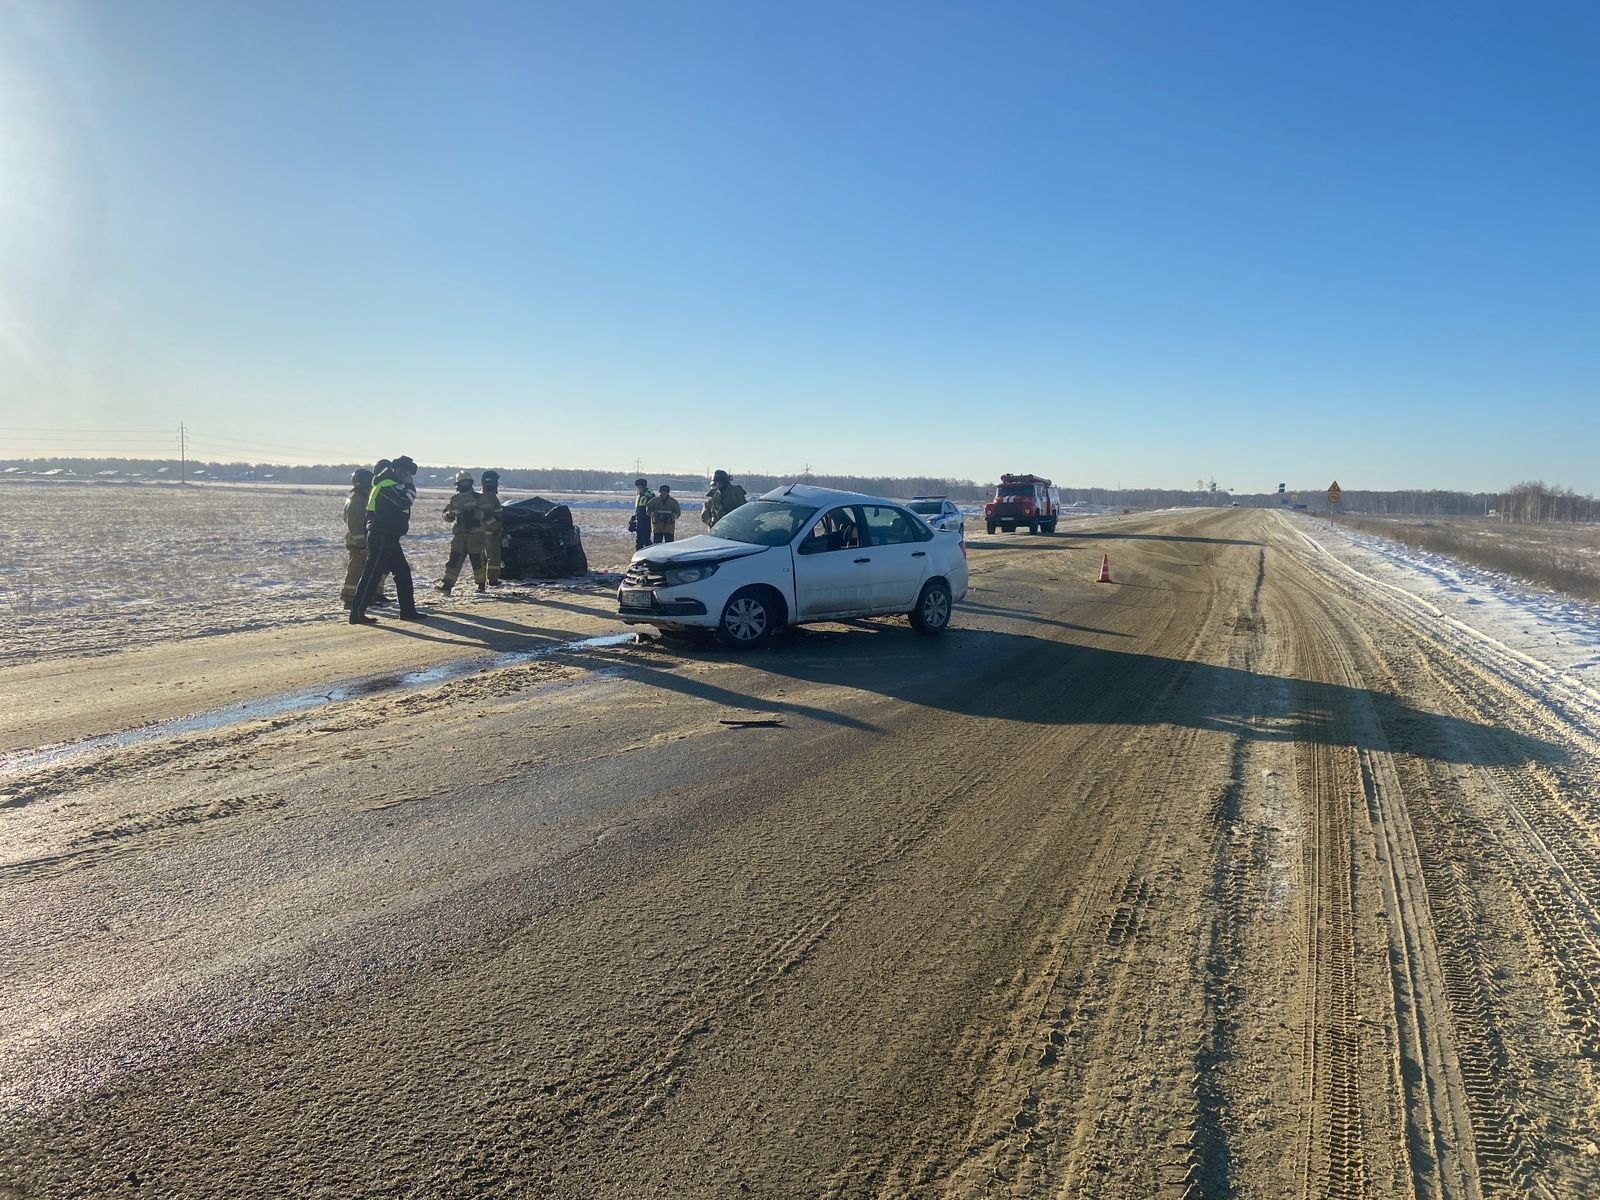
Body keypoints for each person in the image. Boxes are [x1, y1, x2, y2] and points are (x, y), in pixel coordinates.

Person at [349, 455, 426, 624]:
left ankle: (408, 611)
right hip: (381, 535)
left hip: (388, 536)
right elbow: (405, 501)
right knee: (372, 574)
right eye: (408, 474)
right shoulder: (386, 485)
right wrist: (409, 485)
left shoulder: (391, 484)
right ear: (399, 471)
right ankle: (356, 613)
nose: (409, 477)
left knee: (403, 572)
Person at [340, 469, 391, 610]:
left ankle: (366, 597)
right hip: (358, 544)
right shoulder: (357, 501)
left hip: (364, 542)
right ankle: (349, 599)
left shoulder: (362, 499)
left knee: (366, 571)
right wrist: (363, 545)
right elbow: (355, 526)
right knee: (355, 570)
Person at [439, 470, 488, 595]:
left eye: (466, 482)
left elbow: (486, 515)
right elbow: (446, 515)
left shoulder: (479, 498)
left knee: (477, 561)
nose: (464, 484)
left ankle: (481, 585)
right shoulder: (455, 499)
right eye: (462, 482)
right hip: (460, 535)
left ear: (470, 483)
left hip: (475, 535)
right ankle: (447, 585)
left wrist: (474, 514)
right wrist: (450, 515)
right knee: (454, 560)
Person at [480, 469, 505, 586]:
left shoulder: (482, 496)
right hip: (490, 533)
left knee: (482, 559)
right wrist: (498, 527)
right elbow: (487, 516)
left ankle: (481, 581)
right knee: (494, 558)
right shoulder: (490, 498)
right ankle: (493, 580)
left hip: (480, 533)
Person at [627, 477, 655, 552]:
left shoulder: (649, 493)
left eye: (639, 486)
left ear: (644, 486)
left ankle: (650, 554)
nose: (638, 488)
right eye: (637, 487)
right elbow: (638, 508)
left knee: (646, 540)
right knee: (639, 540)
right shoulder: (639, 495)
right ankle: (639, 555)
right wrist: (633, 518)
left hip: (645, 519)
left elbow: (650, 506)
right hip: (639, 520)